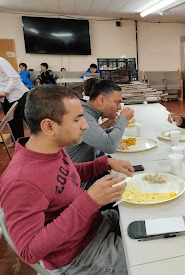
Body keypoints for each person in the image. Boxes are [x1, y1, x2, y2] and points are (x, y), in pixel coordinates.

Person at [0, 85, 133, 274]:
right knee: (153, 261)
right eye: (77, 119)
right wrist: (90, 201)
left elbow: (65, 178)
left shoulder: (52, 148)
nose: (86, 125)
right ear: (49, 126)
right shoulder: (21, 181)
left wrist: (103, 164)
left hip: (95, 225)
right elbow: (29, 251)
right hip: (79, 254)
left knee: (152, 222)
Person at [66, 79, 134, 163]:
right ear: (101, 99)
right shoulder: (82, 114)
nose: (119, 107)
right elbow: (110, 146)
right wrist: (123, 118)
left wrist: (108, 125)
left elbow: (92, 135)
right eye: (117, 102)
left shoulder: (86, 110)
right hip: (76, 173)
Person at [0, 57, 29, 140]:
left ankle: (38, 142)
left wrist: (6, 92)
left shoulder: (1, 61)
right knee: (12, 122)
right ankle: (17, 141)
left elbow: (14, 77)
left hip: (16, 95)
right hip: (5, 97)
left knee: (26, 120)